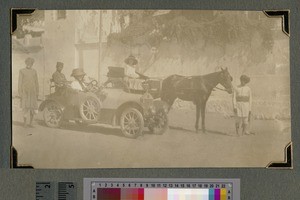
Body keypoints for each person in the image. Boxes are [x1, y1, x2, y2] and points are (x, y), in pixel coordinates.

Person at [18, 57, 39, 128]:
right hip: (25, 92)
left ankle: (31, 123)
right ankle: (25, 123)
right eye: (27, 63)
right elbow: (19, 82)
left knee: (32, 107)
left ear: (32, 64)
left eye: (30, 63)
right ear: (26, 63)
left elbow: (36, 82)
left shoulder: (34, 71)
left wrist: (37, 92)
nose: (29, 64)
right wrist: (20, 92)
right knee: (25, 107)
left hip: (33, 92)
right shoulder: (22, 71)